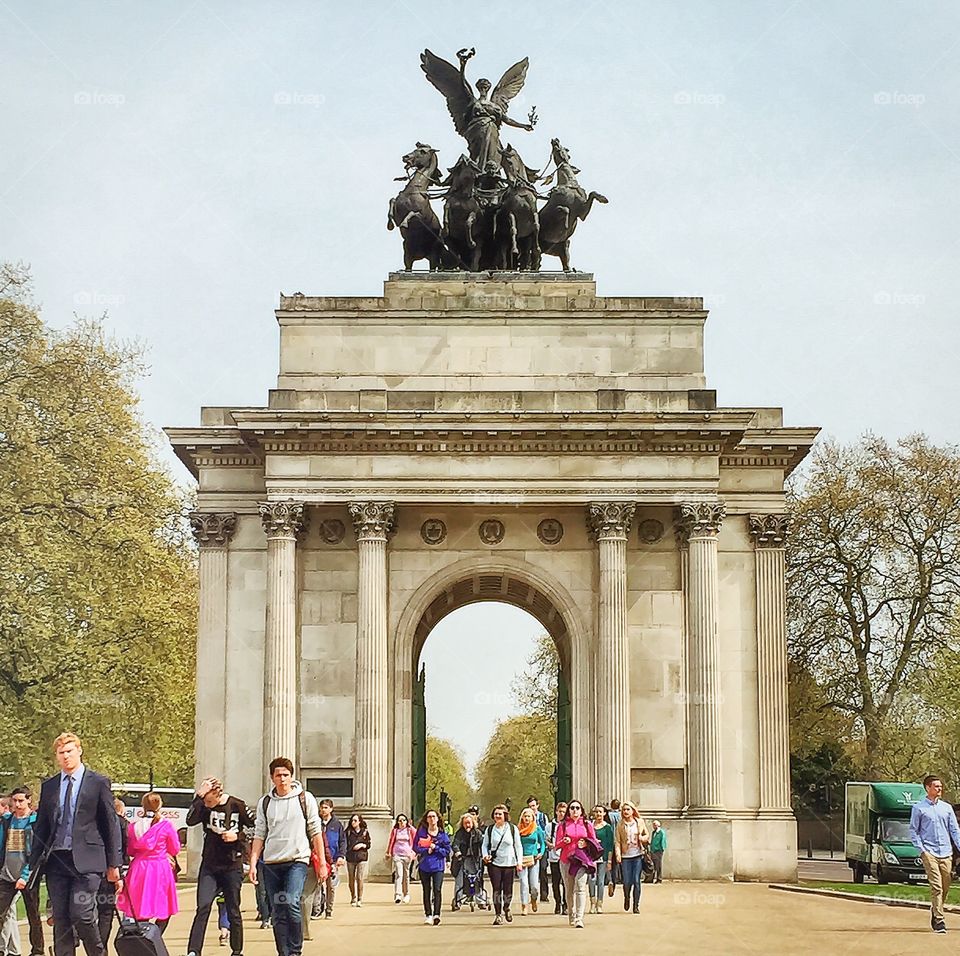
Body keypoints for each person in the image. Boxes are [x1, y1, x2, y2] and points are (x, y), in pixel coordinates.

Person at [29, 733, 122, 956]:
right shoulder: (50, 786)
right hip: (57, 861)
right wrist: (33, 862)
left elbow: (110, 823)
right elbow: (41, 825)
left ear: (79, 751)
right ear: (57, 757)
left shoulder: (97, 782)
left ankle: (97, 953)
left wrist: (114, 863)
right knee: (60, 917)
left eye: (70, 751)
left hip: (88, 860)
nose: (66, 756)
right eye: (61, 753)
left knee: (81, 913)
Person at [249, 757, 325, 956]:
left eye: (286, 775)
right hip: (272, 864)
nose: (282, 779)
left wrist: (323, 863)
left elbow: (316, 832)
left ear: (292, 777)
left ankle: (295, 951)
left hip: (296, 862)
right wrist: (253, 863)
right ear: (272, 777)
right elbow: (259, 834)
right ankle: (283, 951)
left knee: (291, 902)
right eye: (278, 775)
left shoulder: (305, 799)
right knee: (278, 910)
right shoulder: (265, 803)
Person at [185, 776, 253, 956]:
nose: (207, 805)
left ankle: (236, 950)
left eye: (209, 801)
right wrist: (199, 796)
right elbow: (190, 820)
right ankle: (193, 951)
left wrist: (237, 836)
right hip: (210, 865)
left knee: (233, 909)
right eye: (204, 801)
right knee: (203, 906)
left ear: (218, 794)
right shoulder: (203, 807)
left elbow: (256, 828)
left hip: (231, 865)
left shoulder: (237, 805)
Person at [116, 793, 179, 932]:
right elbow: (175, 848)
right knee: (164, 908)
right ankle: (155, 936)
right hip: (160, 867)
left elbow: (131, 850)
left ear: (142, 806)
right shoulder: (166, 825)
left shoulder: (134, 826)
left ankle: (143, 938)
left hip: (139, 868)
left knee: (140, 907)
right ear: (160, 805)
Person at [910, 774, 960, 934]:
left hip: (946, 852)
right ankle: (939, 920)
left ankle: (935, 909)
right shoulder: (918, 808)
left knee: (946, 885)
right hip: (929, 851)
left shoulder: (947, 808)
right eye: (936, 786)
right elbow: (913, 830)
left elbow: (954, 830)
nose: (940, 789)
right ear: (928, 788)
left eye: (940, 786)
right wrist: (922, 850)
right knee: (936, 886)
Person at [0, 788, 42, 956]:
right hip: (6, 875)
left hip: (28, 876)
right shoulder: (7, 821)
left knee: (34, 916)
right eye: (15, 801)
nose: (17, 804)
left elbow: (36, 853)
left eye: (21, 801)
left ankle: (37, 951)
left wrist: (25, 876)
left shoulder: (34, 821)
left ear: (29, 801)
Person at [556, 800, 599, 929]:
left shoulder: (587, 825)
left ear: (581, 811)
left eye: (577, 808)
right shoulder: (562, 826)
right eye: (572, 808)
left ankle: (579, 918)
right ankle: (571, 914)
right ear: (569, 810)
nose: (575, 810)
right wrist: (564, 841)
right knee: (569, 889)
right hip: (566, 860)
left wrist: (586, 843)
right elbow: (557, 845)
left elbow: (594, 841)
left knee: (580, 887)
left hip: (581, 860)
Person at [97, 798, 129, 953]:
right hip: (110, 871)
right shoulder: (121, 823)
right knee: (106, 912)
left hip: (90, 870)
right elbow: (123, 850)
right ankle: (101, 948)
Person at [481, 804, 522, 926]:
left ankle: (507, 907)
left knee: (508, 889)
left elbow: (518, 846)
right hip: (495, 863)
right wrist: (485, 856)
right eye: (496, 814)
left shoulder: (512, 829)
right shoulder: (490, 829)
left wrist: (519, 862)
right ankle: (498, 914)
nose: (498, 816)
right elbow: (485, 845)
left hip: (509, 862)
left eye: (500, 814)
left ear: (505, 815)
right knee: (497, 889)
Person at [414, 809, 450, 925]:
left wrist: (436, 848)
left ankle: (437, 914)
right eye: (429, 817)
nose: (431, 819)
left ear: (438, 819)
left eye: (433, 816)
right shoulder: (421, 833)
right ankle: (428, 914)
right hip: (425, 865)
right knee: (426, 890)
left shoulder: (442, 835)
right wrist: (426, 850)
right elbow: (415, 847)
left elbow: (447, 851)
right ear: (426, 819)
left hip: (438, 866)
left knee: (437, 889)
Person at [311, 800, 345, 920]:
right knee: (318, 885)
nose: (323, 810)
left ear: (331, 809)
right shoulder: (316, 823)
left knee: (331, 886)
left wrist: (341, 855)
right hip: (318, 859)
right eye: (321, 808)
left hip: (333, 858)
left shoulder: (337, 825)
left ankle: (329, 910)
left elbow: (342, 841)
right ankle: (317, 909)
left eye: (325, 807)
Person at [614, 800, 648, 914]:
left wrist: (643, 838)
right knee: (627, 881)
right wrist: (618, 854)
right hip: (625, 856)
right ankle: (627, 897)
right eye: (624, 810)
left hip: (637, 854)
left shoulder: (639, 822)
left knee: (636, 880)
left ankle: (636, 905)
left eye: (628, 809)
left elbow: (646, 835)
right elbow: (617, 841)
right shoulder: (620, 824)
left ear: (633, 811)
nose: (626, 812)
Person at [451, 812, 483, 911]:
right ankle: (458, 900)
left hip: (474, 860)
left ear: (473, 823)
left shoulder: (477, 833)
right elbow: (455, 844)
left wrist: (484, 855)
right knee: (459, 880)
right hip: (462, 859)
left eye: (469, 823)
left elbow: (482, 845)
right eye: (465, 823)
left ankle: (480, 900)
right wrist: (457, 852)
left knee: (477, 879)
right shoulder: (460, 833)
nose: (467, 825)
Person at [516, 807, 545, 916]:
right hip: (522, 858)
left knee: (534, 885)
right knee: (524, 883)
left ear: (533, 817)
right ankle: (524, 905)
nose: (527, 818)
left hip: (533, 859)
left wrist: (541, 853)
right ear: (522, 818)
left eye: (529, 816)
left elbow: (542, 843)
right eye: (525, 816)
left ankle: (533, 899)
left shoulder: (536, 829)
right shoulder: (517, 830)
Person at [588, 804, 614, 914]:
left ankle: (600, 903)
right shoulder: (590, 826)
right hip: (591, 857)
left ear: (604, 813)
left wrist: (609, 860)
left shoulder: (607, 827)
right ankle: (592, 903)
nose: (598, 814)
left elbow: (610, 844)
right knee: (591, 880)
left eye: (600, 812)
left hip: (603, 857)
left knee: (601, 881)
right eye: (596, 812)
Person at [386, 814, 416, 904]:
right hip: (397, 854)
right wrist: (389, 852)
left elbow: (416, 838)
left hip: (407, 855)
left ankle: (406, 894)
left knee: (406, 875)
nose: (402, 822)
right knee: (399, 874)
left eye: (403, 820)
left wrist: (413, 853)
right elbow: (391, 841)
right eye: (400, 820)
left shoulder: (409, 830)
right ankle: (398, 894)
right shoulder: (395, 831)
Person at [545, 801, 567, 915]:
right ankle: (558, 902)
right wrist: (550, 845)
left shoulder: (568, 825)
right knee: (555, 882)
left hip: (566, 857)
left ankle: (565, 904)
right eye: (560, 811)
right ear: (556, 812)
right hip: (554, 857)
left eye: (564, 812)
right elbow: (546, 839)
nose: (562, 814)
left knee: (566, 882)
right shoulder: (550, 826)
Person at [344, 813, 371, 906]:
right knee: (351, 878)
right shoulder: (347, 832)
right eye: (352, 820)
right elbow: (344, 844)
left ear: (359, 821)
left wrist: (362, 845)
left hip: (361, 857)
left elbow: (368, 844)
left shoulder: (364, 832)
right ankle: (353, 897)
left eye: (355, 820)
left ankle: (360, 898)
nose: (353, 822)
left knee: (359, 877)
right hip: (350, 857)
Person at [526, 796, 550, 903]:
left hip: (542, 846)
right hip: (531, 849)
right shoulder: (526, 817)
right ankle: (533, 893)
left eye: (533, 806)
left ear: (537, 805)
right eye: (530, 806)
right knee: (531, 872)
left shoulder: (543, 817)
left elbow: (547, 832)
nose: (532, 808)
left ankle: (544, 894)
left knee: (543, 870)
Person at [606, 798, 621, 897]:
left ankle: (609, 880)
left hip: (609, 841)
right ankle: (615, 882)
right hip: (618, 842)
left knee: (607, 863)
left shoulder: (608, 816)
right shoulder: (621, 816)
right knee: (616, 865)